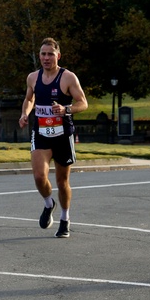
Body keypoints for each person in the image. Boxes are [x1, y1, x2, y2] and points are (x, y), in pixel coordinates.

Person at [17, 37, 88, 238]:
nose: (46, 58)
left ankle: (65, 219)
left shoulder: (68, 78)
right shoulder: (33, 77)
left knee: (62, 182)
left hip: (62, 134)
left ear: (58, 56)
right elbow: (29, 99)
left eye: (50, 54)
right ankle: (49, 204)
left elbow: (83, 103)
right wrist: (25, 114)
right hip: (41, 133)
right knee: (40, 177)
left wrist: (66, 109)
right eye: (43, 54)